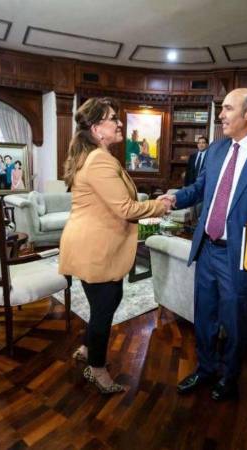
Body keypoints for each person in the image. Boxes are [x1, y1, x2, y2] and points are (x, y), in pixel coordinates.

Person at [158, 88, 247, 401]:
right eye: (221, 109)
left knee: (234, 322)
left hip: (241, 255)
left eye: (227, 109)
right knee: (204, 316)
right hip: (207, 249)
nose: (220, 115)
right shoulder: (217, 149)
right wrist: (175, 198)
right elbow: (199, 188)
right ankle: (206, 368)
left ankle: (229, 376)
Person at [59, 97, 170, 394]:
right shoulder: (98, 160)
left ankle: (87, 348)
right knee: (105, 307)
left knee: (102, 304)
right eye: (113, 119)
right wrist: (159, 206)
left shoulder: (96, 156)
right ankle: (96, 369)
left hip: (92, 244)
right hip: (95, 248)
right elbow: (126, 208)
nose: (120, 123)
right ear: (97, 129)